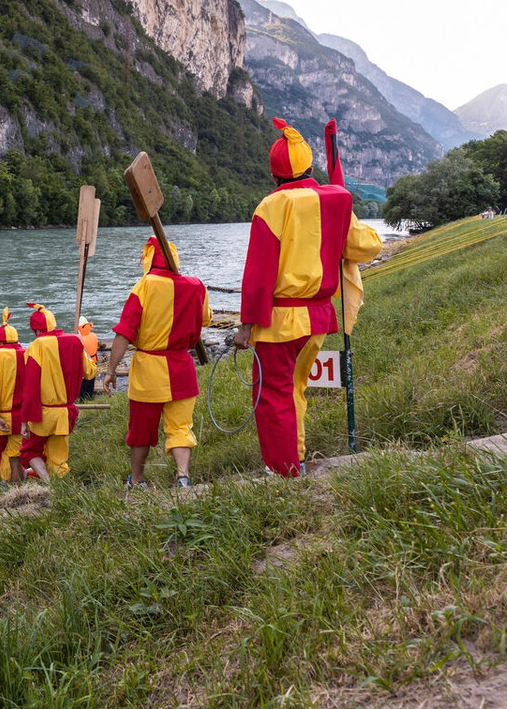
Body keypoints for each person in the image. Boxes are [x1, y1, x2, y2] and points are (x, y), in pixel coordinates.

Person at [234, 117, 383, 477]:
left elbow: (258, 274)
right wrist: (344, 213)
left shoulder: (270, 207)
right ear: (310, 168)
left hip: (279, 324)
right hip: (317, 320)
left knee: (273, 396)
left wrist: (245, 326)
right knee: (294, 390)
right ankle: (296, 458)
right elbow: (367, 246)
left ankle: (285, 470)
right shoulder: (337, 200)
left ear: (274, 175)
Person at [105, 237, 211, 489]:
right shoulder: (197, 286)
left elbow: (125, 332)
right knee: (181, 427)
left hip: (148, 370)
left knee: (141, 430)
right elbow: (205, 318)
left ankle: (137, 480)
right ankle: (183, 476)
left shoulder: (144, 286)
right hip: (182, 367)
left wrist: (110, 370)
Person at [18, 303, 97, 480]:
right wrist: (81, 345)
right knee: (58, 459)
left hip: (44, 413)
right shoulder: (75, 341)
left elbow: (30, 387)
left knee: (29, 451)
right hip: (64, 413)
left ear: (36, 330)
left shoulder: (36, 346)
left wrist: (24, 420)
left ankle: (48, 483)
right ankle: (60, 486)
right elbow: (90, 372)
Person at [0, 308, 27, 484]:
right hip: (20, 416)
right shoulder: (26, 354)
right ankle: (17, 492)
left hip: (1, 415)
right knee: (15, 457)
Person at [77, 316, 100, 401]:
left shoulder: (79, 339)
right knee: (91, 383)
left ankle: (82, 401)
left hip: (85, 365)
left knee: (83, 385)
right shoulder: (94, 335)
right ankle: (90, 398)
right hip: (94, 363)